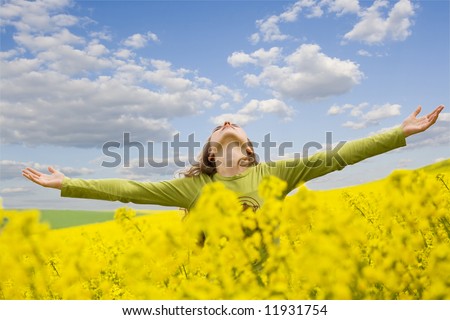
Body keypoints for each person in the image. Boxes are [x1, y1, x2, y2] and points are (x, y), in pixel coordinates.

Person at [22, 105, 445, 212]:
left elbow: (339, 156)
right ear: (210, 151)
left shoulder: (276, 172)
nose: (226, 120)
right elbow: (130, 189)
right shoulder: (193, 188)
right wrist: (69, 183)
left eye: (234, 122)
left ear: (247, 148)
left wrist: (398, 133)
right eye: (218, 124)